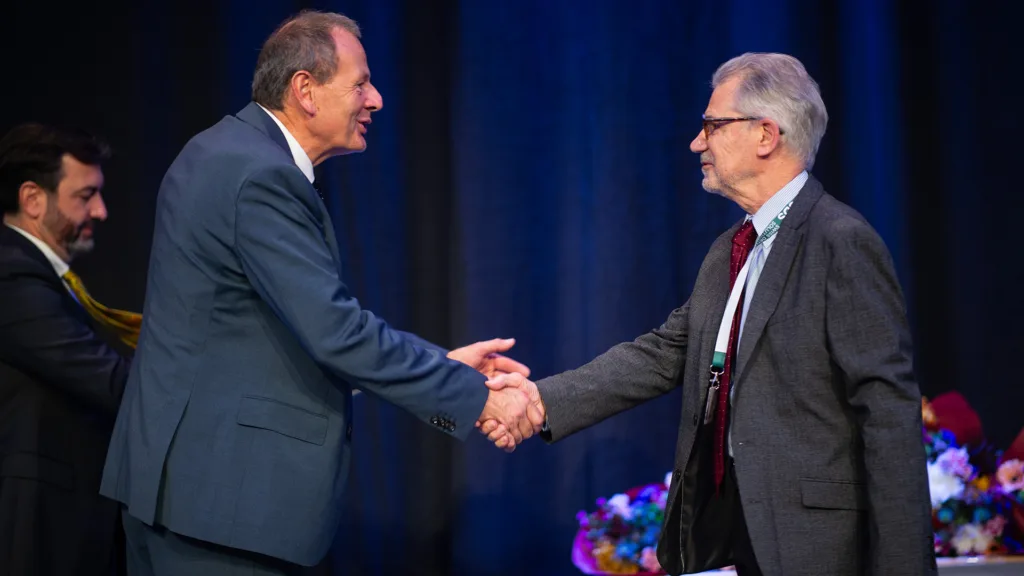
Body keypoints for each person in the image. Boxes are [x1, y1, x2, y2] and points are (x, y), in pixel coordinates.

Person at [99, 10, 539, 575]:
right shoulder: (259, 174)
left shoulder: (224, 151)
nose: (376, 99)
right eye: (360, 83)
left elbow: (262, 336)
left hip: (184, 495)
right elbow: (335, 332)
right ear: (305, 89)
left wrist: (444, 364)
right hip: (217, 507)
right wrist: (477, 397)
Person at [482, 53, 937, 576]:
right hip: (742, 535)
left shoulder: (840, 241)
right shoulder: (732, 248)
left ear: (766, 135)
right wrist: (540, 401)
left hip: (816, 542)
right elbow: (664, 352)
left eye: (713, 125)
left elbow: (888, 411)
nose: (697, 142)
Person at [0, 123, 135, 575]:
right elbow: (110, 381)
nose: (101, 210)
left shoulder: (39, 276)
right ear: (33, 199)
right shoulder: (11, 277)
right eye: (85, 195)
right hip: (38, 527)